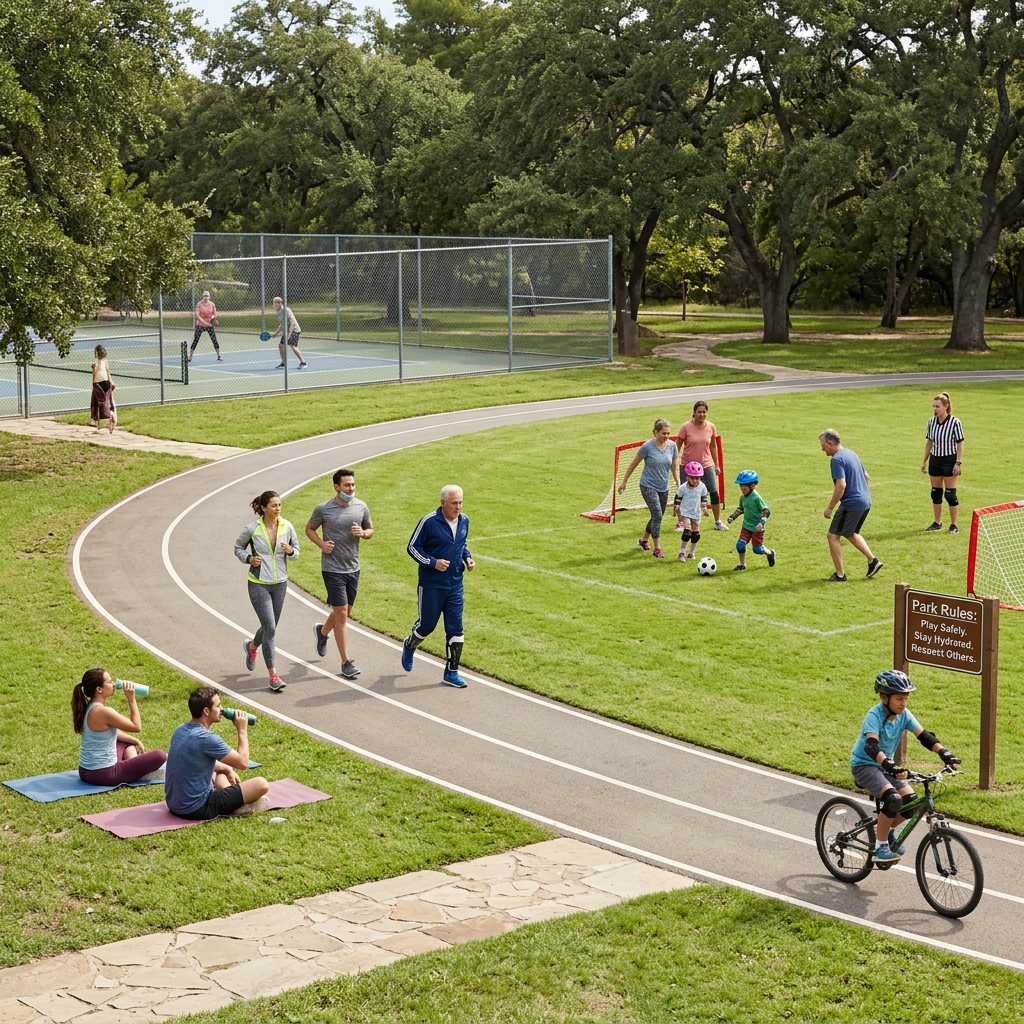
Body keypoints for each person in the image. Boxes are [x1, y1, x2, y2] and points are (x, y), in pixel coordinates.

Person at [850, 670, 961, 863]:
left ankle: (888, 829)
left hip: (887, 766)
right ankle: (880, 844)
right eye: (899, 698)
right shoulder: (874, 715)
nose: (903, 703)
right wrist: (890, 765)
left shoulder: (904, 715)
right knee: (893, 799)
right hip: (864, 765)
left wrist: (945, 753)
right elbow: (871, 746)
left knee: (911, 802)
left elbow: (924, 736)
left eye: (906, 698)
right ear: (884, 697)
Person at [400, 484, 475, 688]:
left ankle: (451, 673)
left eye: (460, 503)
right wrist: (433, 562)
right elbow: (412, 548)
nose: (458, 507)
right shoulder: (429, 522)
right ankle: (409, 645)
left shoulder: (464, 520)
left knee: (456, 630)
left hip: (455, 585)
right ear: (442, 503)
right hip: (431, 585)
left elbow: (461, 544)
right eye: (454, 503)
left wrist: (468, 558)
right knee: (427, 626)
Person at [307, 468, 374, 680]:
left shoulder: (361, 506)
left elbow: (371, 530)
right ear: (337, 487)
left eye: (353, 485)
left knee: (343, 612)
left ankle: (322, 632)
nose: (351, 488)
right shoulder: (324, 509)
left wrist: (363, 533)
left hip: (353, 568)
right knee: (342, 614)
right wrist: (321, 544)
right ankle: (346, 662)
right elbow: (309, 528)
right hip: (332, 569)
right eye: (347, 485)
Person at [165, 686, 270, 820]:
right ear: (206, 711)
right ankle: (238, 806)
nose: (222, 709)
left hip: (175, 805)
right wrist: (242, 730)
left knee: (221, 772)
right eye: (218, 706)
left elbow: (192, 760)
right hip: (197, 808)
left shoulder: (180, 729)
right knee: (261, 784)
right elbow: (243, 763)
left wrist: (226, 768)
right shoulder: (207, 738)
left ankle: (234, 801)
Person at [234, 490, 300, 692]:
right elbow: (238, 547)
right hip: (258, 583)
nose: (278, 508)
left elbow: (297, 552)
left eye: (279, 505)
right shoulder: (252, 529)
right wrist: (248, 559)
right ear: (263, 508)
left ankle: (252, 646)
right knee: (270, 628)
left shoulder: (287, 526)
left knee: (269, 627)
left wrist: (290, 551)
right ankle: (273, 676)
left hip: (280, 583)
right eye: (274, 505)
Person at [73, 668, 166, 786]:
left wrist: (134, 740)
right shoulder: (104, 712)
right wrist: (131, 699)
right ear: (99, 689)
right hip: (105, 774)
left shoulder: (89, 707)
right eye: (109, 682)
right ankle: (138, 772)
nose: (113, 684)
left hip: (85, 772)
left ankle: (134, 768)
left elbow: (107, 733)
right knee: (160, 755)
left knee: (126, 742)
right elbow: (136, 727)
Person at [819, 429, 882, 582]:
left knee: (832, 536)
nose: (822, 449)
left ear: (830, 443)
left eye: (823, 445)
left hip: (851, 503)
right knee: (850, 532)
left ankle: (840, 575)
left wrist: (830, 507)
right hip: (865, 501)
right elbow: (866, 477)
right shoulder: (851, 453)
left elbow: (841, 485)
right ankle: (872, 561)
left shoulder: (836, 460)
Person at [617, 418, 680, 559]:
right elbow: (633, 464)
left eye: (668, 433)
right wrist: (624, 482)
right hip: (648, 485)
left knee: (657, 516)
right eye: (663, 433)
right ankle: (657, 548)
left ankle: (643, 540)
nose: (666, 436)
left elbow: (674, 465)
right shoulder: (647, 447)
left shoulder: (672, 446)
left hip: (664, 486)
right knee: (657, 514)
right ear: (655, 432)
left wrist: (677, 480)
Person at [676, 400, 727, 529]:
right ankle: (682, 522)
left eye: (704, 412)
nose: (702, 414)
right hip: (687, 466)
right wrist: (674, 463)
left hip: (705, 465)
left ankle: (717, 522)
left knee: (714, 492)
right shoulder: (685, 427)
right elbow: (677, 446)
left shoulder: (711, 427)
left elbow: (713, 446)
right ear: (694, 413)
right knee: (685, 494)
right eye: (699, 412)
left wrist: (716, 465)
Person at [921, 392, 964, 534]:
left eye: (937, 406)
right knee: (935, 493)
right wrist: (924, 461)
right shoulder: (931, 422)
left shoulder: (955, 422)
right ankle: (937, 522)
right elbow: (929, 442)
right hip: (936, 460)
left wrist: (958, 463)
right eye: (933, 406)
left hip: (949, 460)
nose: (935, 409)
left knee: (950, 494)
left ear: (946, 407)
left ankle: (954, 525)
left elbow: (960, 444)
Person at [725, 470, 776, 570]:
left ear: (752, 486)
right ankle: (742, 564)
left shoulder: (756, 498)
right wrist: (732, 517)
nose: (742, 488)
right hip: (746, 526)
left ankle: (770, 553)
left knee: (757, 549)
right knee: (740, 545)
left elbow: (765, 510)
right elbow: (740, 509)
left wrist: (762, 522)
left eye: (744, 486)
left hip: (757, 528)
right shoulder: (743, 498)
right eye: (740, 486)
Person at [674, 461, 709, 561]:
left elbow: (704, 497)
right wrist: (676, 507)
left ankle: (691, 552)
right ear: (687, 477)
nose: (695, 480)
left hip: (696, 513)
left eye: (697, 478)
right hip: (685, 512)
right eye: (692, 478)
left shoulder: (702, 486)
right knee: (687, 532)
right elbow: (678, 498)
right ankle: (681, 552)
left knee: (695, 535)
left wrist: (705, 508)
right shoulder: (683, 488)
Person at [270, 296, 306, 368]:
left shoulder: (285, 310)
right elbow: (282, 325)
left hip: (294, 330)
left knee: (293, 346)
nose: (274, 305)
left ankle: (303, 362)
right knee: (281, 345)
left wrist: (289, 334)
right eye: (274, 303)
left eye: (276, 303)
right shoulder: (279, 312)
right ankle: (283, 363)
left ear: (280, 303)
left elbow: (292, 322)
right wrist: (275, 334)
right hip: (287, 331)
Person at [189, 290, 222, 362]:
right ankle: (190, 355)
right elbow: (197, 314)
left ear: (209, 297)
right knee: (196, 340)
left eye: (207, 295)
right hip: (200, 324)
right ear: (202, 296)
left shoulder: (212, 304)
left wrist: (211, 319)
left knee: (214, 339)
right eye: (204, 295)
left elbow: (215, 314)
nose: (205, 297)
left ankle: (219, 355)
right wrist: (203, 321)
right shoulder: (199, 304)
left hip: (209, 324)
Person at [90, 345, 116, 433]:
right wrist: (111, 382)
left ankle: (98, 419)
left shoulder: (98, 364)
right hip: (104, 384)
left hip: (99, 385)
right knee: (105, 403)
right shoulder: (101, 363)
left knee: (97, 403)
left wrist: (94, 385)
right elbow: (108, 373)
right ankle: (99, 421)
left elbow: (95, 377)